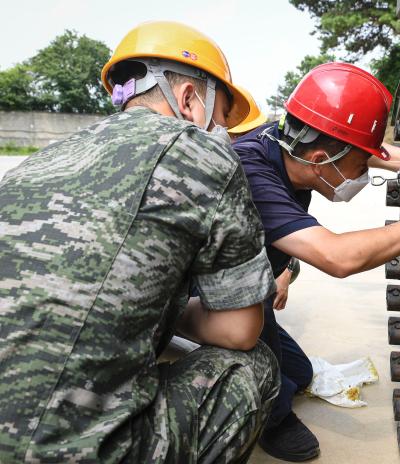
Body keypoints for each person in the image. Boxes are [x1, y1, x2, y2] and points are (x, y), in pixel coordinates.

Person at [0, 21, 280, 464]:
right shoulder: (205, 155)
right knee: (255, 364)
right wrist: (164, 310)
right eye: (223, 116)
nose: (225, 131)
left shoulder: (46, 157)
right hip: (62, 450)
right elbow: (238, 331)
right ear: (190, 99)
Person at [232, 62, 400, 462]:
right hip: (216, 290)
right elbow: (337, 257)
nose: (364, 174)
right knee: (274, 387)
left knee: (298, 375)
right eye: (360, 166)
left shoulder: (287, 143)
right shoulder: (249, 171)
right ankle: (271, 420)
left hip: (251, 278)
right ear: (320, 158)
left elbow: (369, 154)